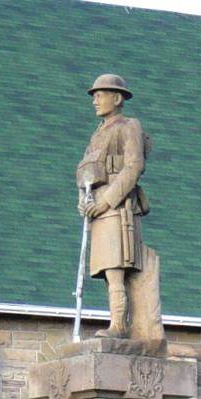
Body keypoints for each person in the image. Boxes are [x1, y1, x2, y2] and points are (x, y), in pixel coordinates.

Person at [77, 74, 151, 338]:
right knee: (109, 272)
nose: (95, 100)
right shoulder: (97, 135)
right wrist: (84, 200)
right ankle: (116, 323)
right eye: (94, 95)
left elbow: (134, 167)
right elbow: (87, 172)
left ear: (116, 98)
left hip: (117, 208)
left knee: (116, 271)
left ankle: (119, 326)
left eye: (101, 94)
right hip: (97, 208)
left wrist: (107, 199)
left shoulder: (128, 126)